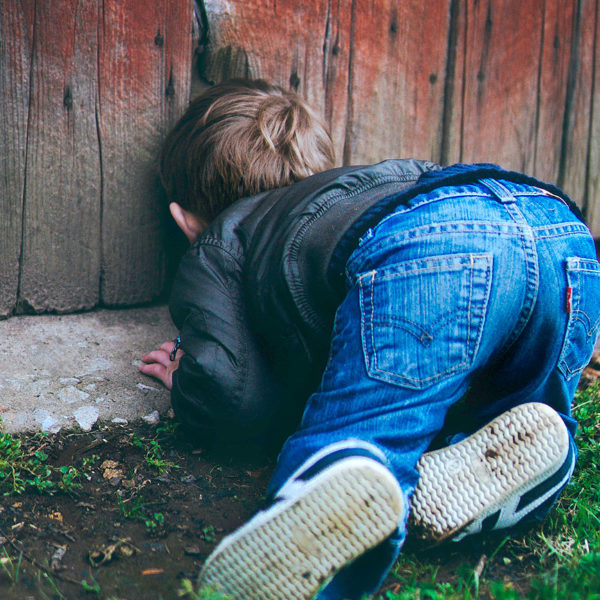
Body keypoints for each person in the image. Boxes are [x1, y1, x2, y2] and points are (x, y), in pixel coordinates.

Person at [140, 78, 600, 600]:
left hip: (431, 251)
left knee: (367, 430)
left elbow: (233, 396)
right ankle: (527, 434)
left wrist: (189, 380)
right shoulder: (372, 182)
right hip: (558, 232)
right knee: (457, 377)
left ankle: (354, 461)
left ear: (185, 221)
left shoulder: (223, 240)